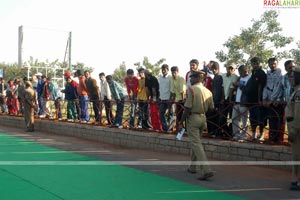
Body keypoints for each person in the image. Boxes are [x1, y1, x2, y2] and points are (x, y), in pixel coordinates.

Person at [178, 69, 214, 181]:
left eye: (193, 77)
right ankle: (192, 167)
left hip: (193, 118)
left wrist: (181, 121)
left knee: (196, 144)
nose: (191, 79)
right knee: (196, 142)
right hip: (203, 118)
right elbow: (212, 108)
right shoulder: (208, 92)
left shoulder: (191, 90)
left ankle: (206, 169)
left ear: (198, 78)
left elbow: (187, 108)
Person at [262, 57, 284, 144]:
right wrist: (264, 98)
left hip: (277, 101)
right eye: (271, 64)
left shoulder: (280, 75)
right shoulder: (268, 75)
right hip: (269, 101)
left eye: (274, 63)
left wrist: (273, 99)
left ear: (277, 64)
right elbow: (266, 87)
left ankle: (278, 139)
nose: (273, 65)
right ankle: (272, 138)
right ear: (268, 64)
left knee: (278, 120)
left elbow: (278, 88)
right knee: (271, 120)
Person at [286, 66, 300, 190]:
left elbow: (298, 113)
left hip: (297, 130)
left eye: (292, 76)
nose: (290, 78)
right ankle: (295, 179)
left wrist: (294, 130)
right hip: (295, 128)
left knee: (297, 156)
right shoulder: (296, 91)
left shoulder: (299, 93)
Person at [247, 57, 267, 142]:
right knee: (253, 119)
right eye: (253, 63)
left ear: (259, 63)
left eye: (256, 63)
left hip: (259, 100)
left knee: (261, 118)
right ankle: (254, 134)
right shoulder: (253, 73)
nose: (255, 64)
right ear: (251, 64)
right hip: (251, 100)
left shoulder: (261, 73)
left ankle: (261, 134)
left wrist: (260, 99)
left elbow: (260, 86)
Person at [231, 65, 251, 142]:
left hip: (244, 102)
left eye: (240, 72)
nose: (239, 74)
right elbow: (237, 88)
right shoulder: (239, 78)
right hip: (236, 101)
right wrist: (235, 85)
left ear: (245, 71)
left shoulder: (250, 79)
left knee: (245, 121)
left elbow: (249, 90)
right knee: (234, 119)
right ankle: (236, 135)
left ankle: (244, 136)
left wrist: (240, 85)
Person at [221, 63, 239, 138]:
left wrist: (230, 100)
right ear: (226, 68)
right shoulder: (223, 76)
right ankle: (225, 131)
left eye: (232, 68)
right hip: (224, 98)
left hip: (231, 98)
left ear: (234, 70)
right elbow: (222, 87)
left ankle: (230, 133)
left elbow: (232, 88)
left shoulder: (235, 77)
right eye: (229, 68)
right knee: (223, 116)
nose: (230, 70)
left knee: (231, 117)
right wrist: (222, 98)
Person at [207, 61, 223, 137]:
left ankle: (217, 133)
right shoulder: (214, 78)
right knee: (211, 117)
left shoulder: (220, 77)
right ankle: (212, 132)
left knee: (218, 118)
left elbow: (221, 90)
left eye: (215, 69)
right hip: (213, 101)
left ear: (218, 69)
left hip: (218, 101)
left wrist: (221, 99)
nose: (214, 70)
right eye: (213, 69)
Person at [170, 66, 186, 132]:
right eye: (172, 73)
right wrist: (172, 100)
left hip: (182, 100)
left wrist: (182, 102)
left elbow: (182, 91)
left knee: (183, 116)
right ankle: (180, 131)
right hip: (177, 100)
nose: (173, 74)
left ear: (177, 72)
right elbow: (172, 91)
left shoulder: (181, 79)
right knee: (178, 116)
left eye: (175, 72)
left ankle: (184, 130)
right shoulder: (172, 79)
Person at [158, 64, 171, 132]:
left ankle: (171, 128)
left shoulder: (170, 78)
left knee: (170, 114)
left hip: (169, 99)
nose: (163, 71)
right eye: (162, 69)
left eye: (165, 69)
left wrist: (171, 99)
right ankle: (165, 128)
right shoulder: (160, 78)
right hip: (162, 99)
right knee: (161, 114)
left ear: (168, 70)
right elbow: (159, 88)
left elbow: (171, 89)